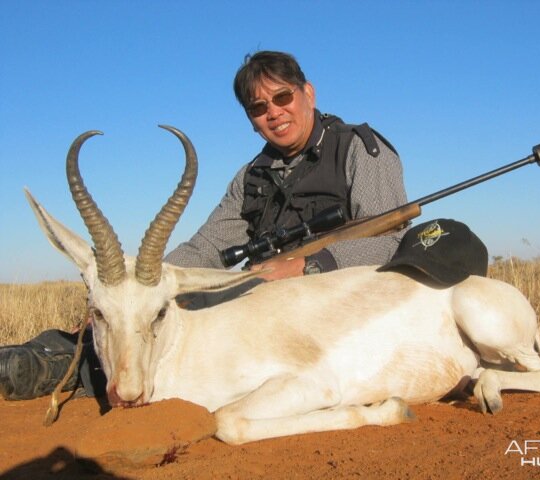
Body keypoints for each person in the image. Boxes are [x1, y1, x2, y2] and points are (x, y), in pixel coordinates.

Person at [0, 51, 408, 401]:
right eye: (258, 108)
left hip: (339, 304)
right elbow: (208, 245)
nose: (274, 113)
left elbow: (389, 243)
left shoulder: (358, 149)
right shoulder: (252, 176)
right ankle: (42, 357)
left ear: (308, 93)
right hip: (269, 303)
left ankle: (64, 372)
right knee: (155, 316)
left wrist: (307, 266)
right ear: (250, 119)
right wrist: (135, 294)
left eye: (283, 97)